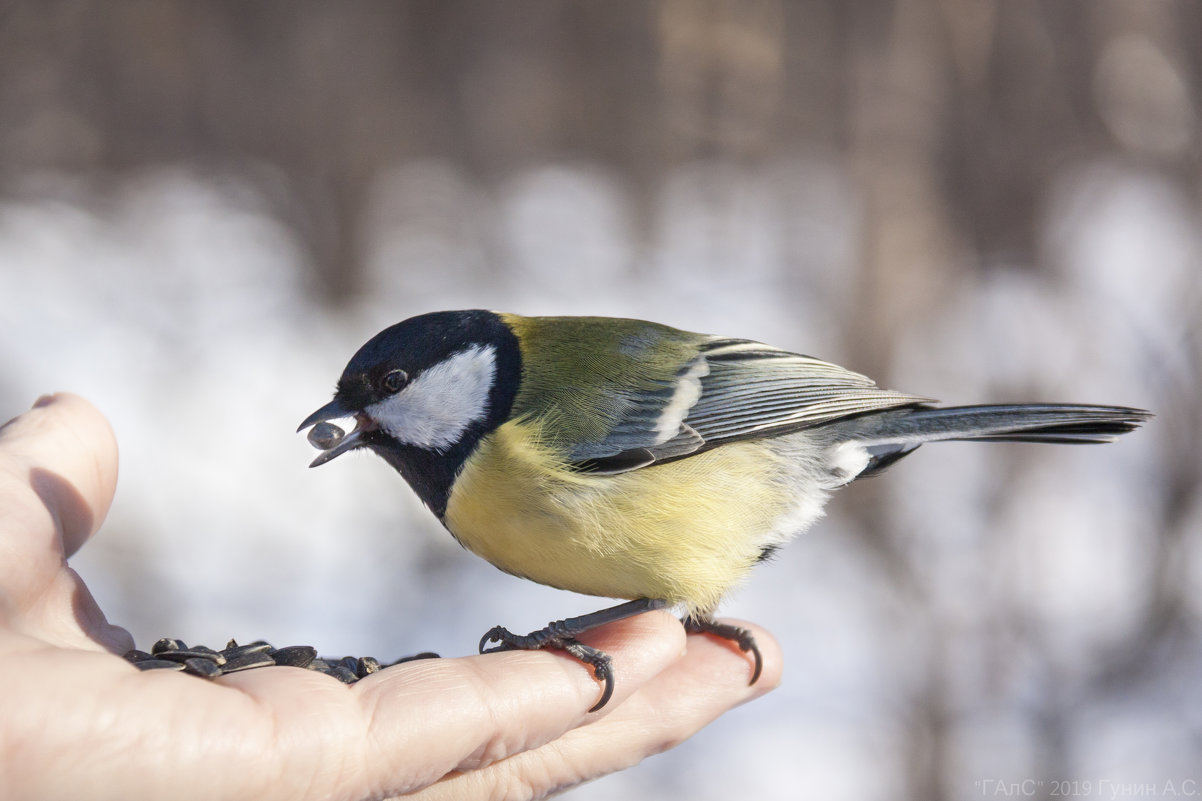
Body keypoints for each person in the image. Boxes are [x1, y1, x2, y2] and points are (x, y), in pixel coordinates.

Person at [0, 393, 779, 800]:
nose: (354, 414)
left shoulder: (534, 424)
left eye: (394, 388)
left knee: (659, 602)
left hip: (770, 453)